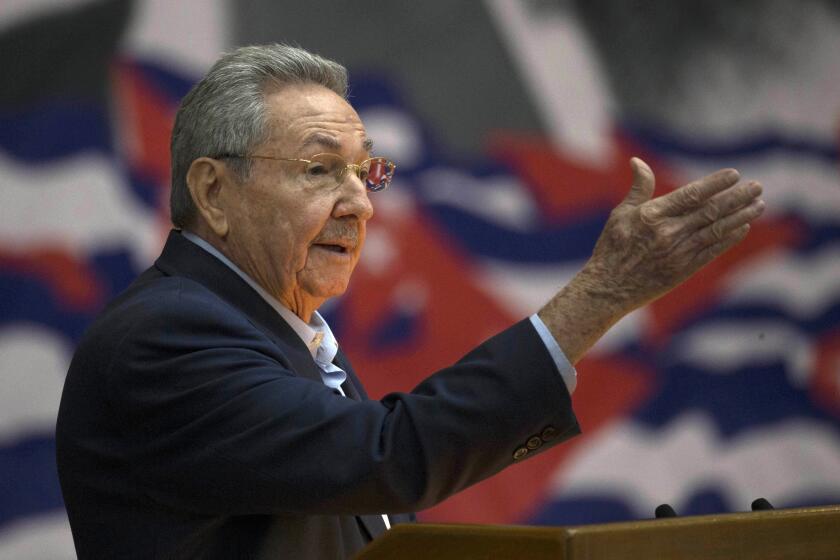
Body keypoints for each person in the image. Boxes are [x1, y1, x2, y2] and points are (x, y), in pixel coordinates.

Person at [56, 44, 765, 559]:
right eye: (319, 170)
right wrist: (602, 294)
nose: (361, 202)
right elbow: (387, 456)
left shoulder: (284, 340)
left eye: (367, 171)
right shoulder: (164, 338)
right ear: (214, 192)